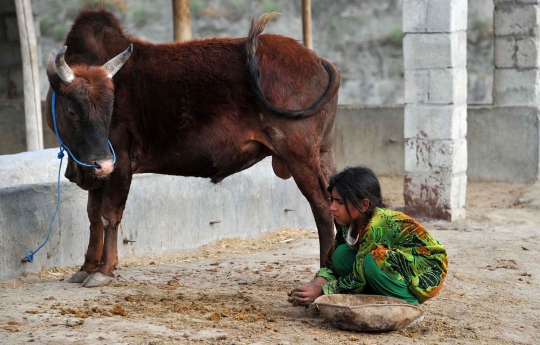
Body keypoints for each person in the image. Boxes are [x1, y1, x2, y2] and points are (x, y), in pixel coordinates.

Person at [287, 166, 448, 306]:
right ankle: (378, 294)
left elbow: (358, 277)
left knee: (373, 259)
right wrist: (313, 285)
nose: (332, 208)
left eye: (340, 202)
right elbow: (332, 267)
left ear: (364, 205)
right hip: (393, 265)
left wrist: (322, 291)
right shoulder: (349, 223)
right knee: (341, 254)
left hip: (426, 268)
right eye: (332, 201)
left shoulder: (376, 225)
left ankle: (407, 304)